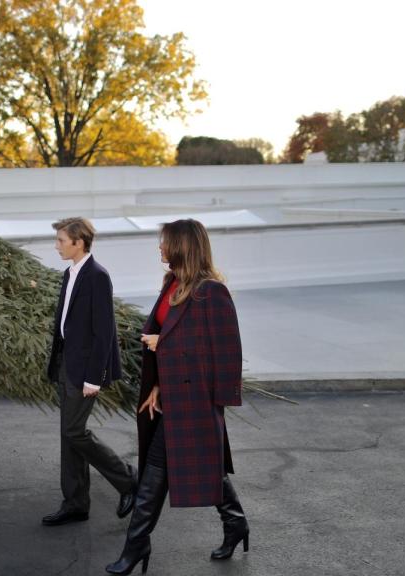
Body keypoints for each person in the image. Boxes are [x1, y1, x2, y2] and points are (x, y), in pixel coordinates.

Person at [105, 218, 249, 575]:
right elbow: (170, 332)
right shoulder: (173, 284)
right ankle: (235, 523)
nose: (159, 247)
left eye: (164, 241)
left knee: (159, 473)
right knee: (192, 466)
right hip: (171, 397)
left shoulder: (211, 291)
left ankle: (136, 547)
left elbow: (223, 348)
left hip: (195, 401)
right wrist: (158, 385)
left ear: (183, 245)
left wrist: (162, 344)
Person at [42, 217, 137, 527]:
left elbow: (104, 331)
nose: (56, 246)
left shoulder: (97, 276)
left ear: (78, 242)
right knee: (67, 435)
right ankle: (76, 503)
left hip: (85, 369)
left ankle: (127, 480)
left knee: (73, 431)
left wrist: (94, 378)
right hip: (67, 363)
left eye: (60, 241)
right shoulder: (69, 274)